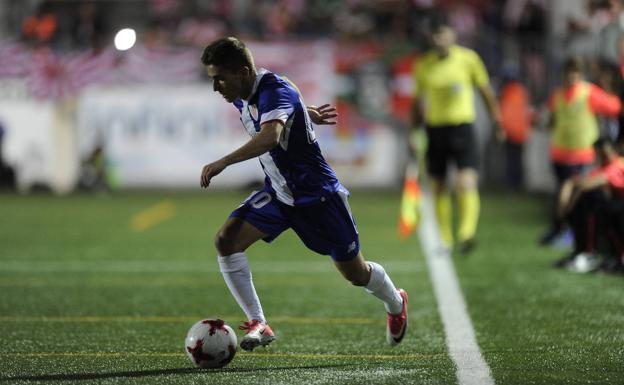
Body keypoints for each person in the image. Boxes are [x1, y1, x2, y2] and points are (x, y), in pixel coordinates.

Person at [199, 37, 408, 351]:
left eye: (220, 78)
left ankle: (395, 302)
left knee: (356, 273)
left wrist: (224, 161)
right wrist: (304, 112)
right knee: (226, 240)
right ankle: (259, 322)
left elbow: (270, 136)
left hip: (318, 197)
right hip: (280, 195)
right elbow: (286, 103)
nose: (216, 87)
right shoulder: (247, 91)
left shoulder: (274, 90)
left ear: (242, 72)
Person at [411, 21, 502, 254]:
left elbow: (485, 92)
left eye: (444, 35)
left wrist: (497, 121)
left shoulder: (468, 59)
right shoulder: (424, 65)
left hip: (462, 127)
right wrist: (414, 132)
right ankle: (445, 239)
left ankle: (466, 233)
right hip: (436, 129)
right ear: (432, 39)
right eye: (436, 36)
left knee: (466, 182)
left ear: (453, 36)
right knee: (439, 185)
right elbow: (416, 103)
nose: (440, 40)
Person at [539, 56, 621, 245]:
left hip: (583, 155)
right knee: (562, 193)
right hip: (560, 153)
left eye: (574, 76)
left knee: (575, 195)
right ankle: (562, 230)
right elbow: (551, 121)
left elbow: (614, 107)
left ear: (580, 76)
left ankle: (572, 234)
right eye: (568, 76)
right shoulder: (557, 96)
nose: (571, 80)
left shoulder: (588, 92)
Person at [557, 137, 624, 271]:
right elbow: (575, 182)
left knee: (593, 199)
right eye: (600, 152)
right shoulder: (603, 167)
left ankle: (591, 254)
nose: (604, 155)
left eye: (606, 151)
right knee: (590, 203)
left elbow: (587, 185)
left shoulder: (619, 164)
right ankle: (582, 252)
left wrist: (567, 207)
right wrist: (568, 190)